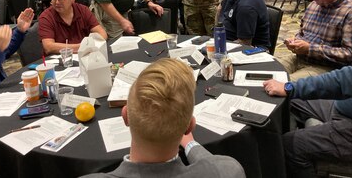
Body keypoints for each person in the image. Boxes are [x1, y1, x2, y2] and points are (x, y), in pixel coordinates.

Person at [80, 58, 246, 178]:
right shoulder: (228, 171)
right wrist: (190, 144)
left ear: (125, 116)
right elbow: (218, 165)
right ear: (189, 126)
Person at [263, 62, 352, 178]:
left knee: (290, 145)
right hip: (348, 107)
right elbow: (347, 79)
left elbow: (342, 79)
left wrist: (290, 87)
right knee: (290, 101)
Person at [278, 0, 352, 81]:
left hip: (326, 68)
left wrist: (310, 49)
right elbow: (302, 33)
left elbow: (351, 55)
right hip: (299, 58)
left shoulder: (351, 11)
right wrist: (295, 41)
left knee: (282, 85)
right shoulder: (314, 5)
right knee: (265, 72)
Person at [39, 0, 106, 55]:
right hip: (59, 62)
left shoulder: (83, 10)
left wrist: (88, 47)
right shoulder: (46, 17)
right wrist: (83, 47)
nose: (57, 2)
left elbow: (102, 33)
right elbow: (49, 47)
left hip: (85, 58)